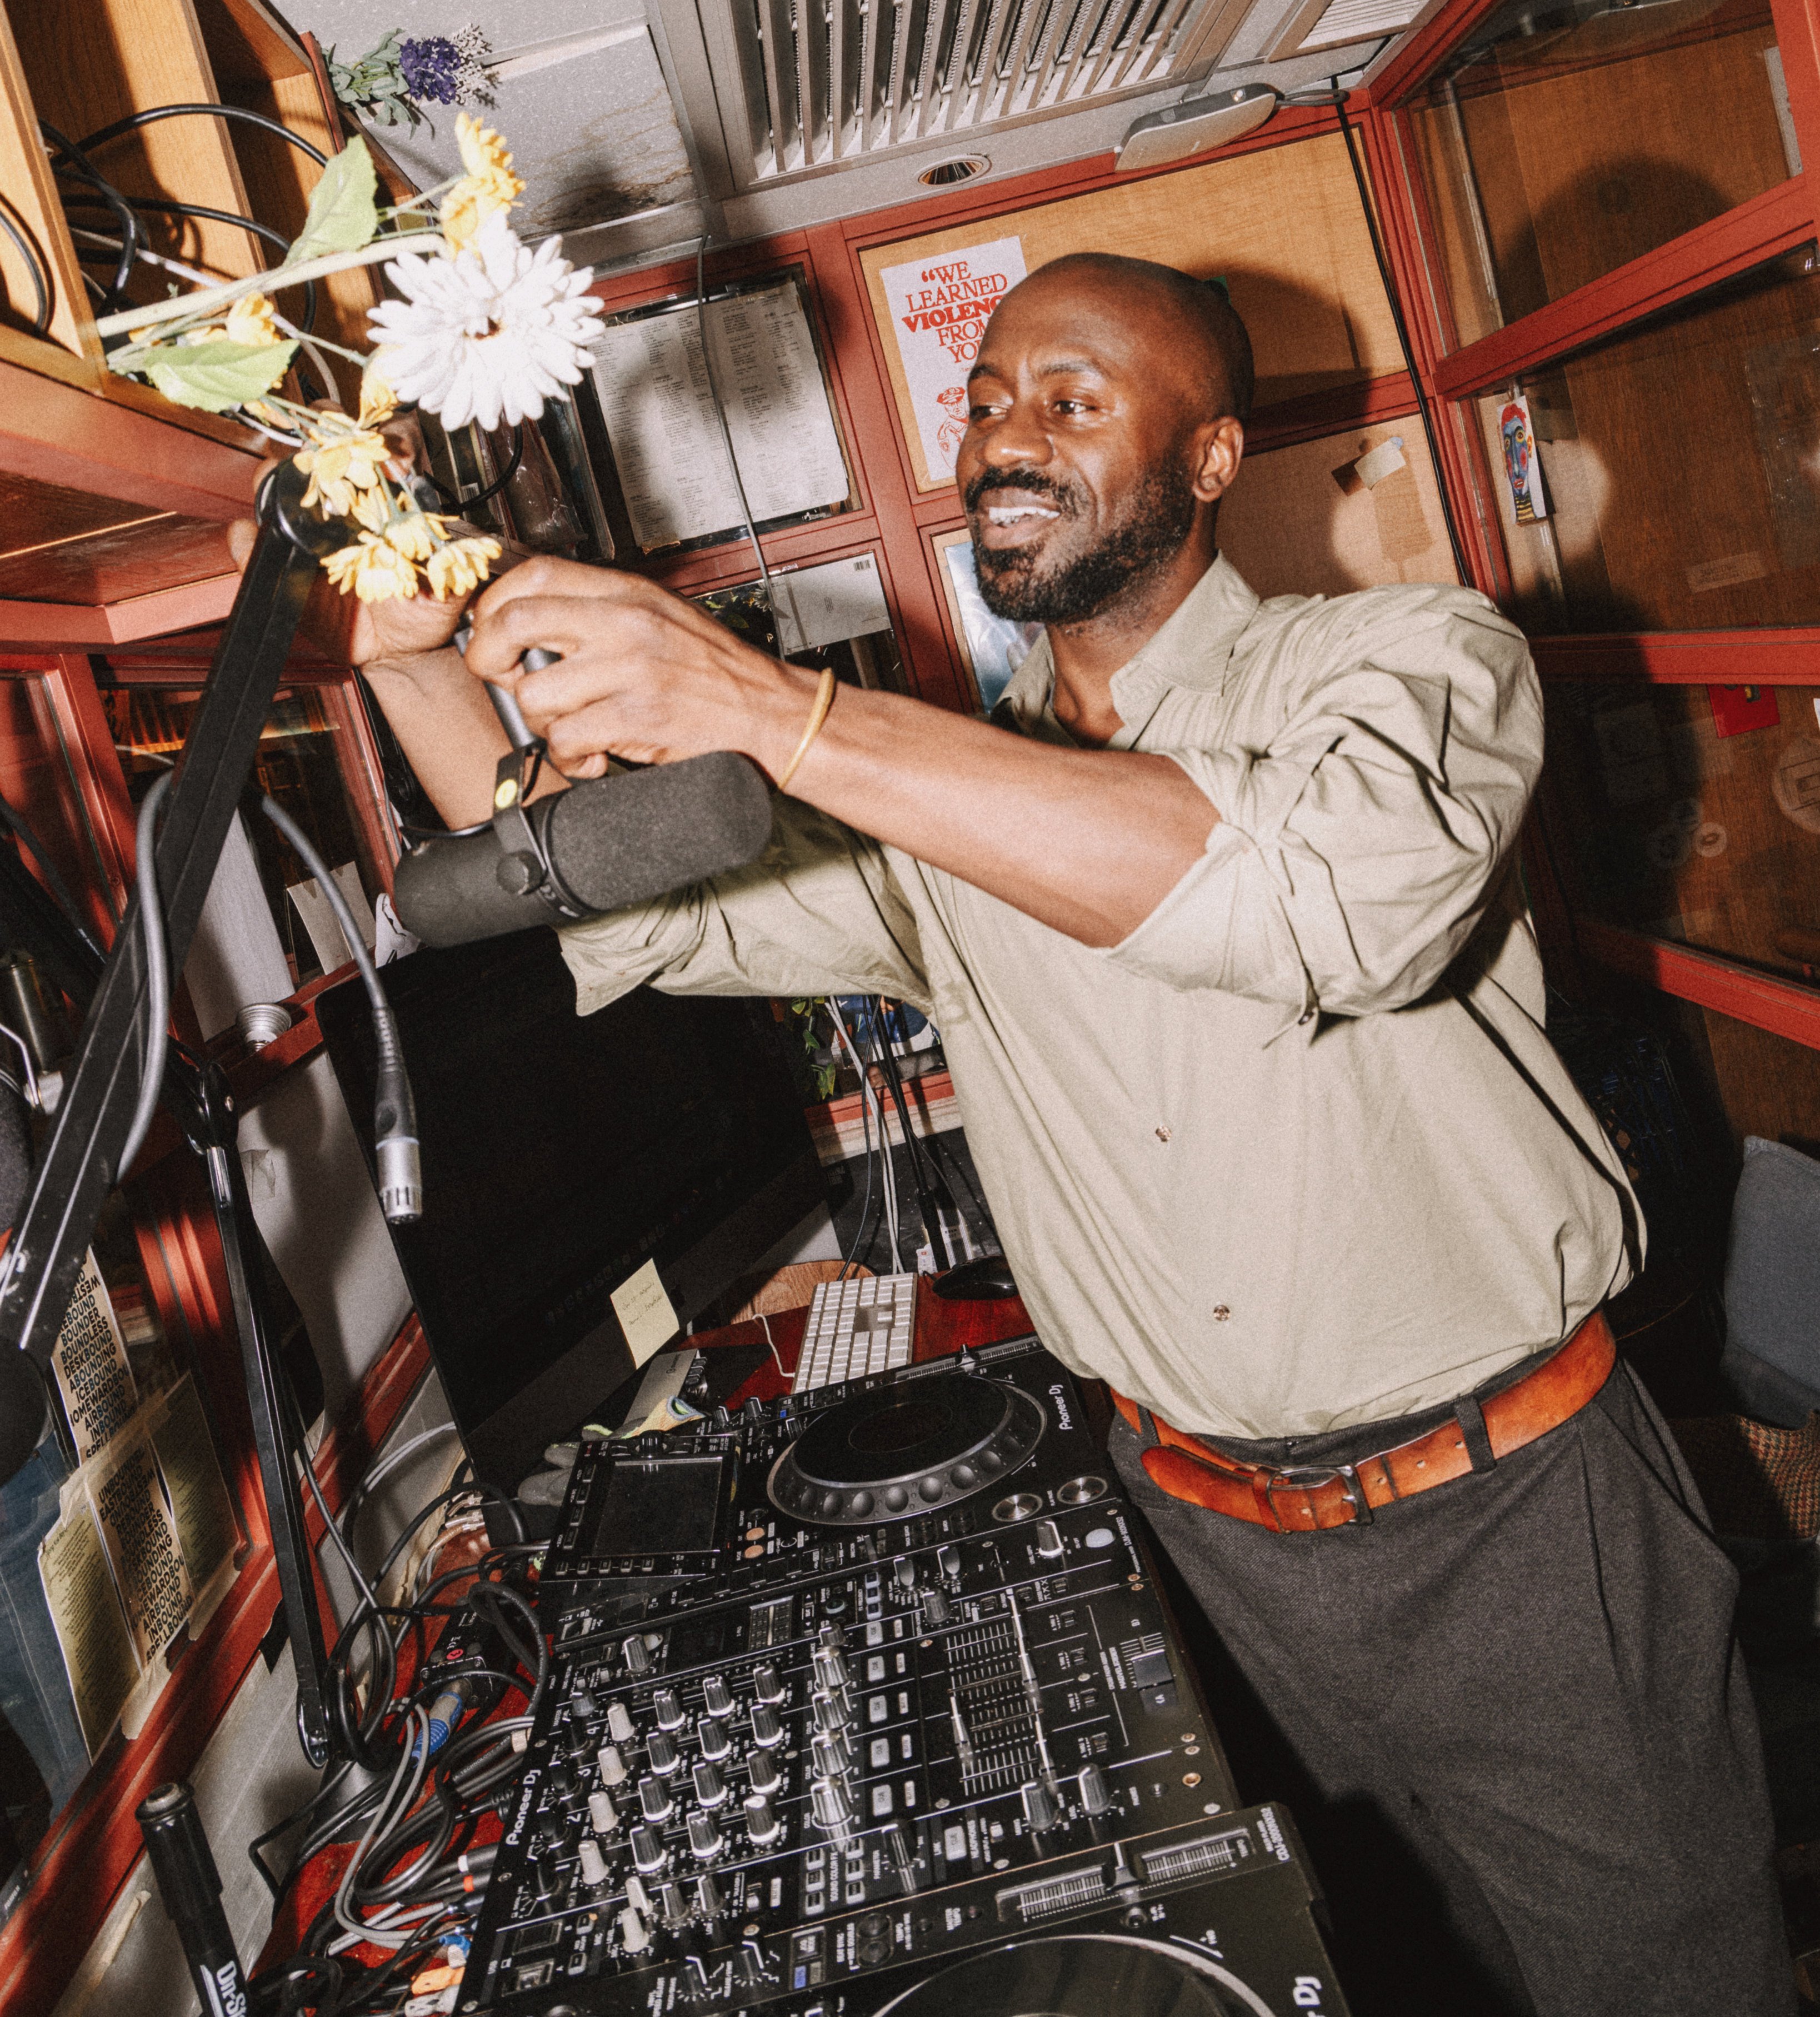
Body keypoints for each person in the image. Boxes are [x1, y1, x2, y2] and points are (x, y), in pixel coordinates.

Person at [338, 253, 1788, 2016]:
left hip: (1508, 1524)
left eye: (1073, 401)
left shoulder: (1411, 660)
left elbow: (1320, 904)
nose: (1006, 438)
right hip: (1204, 1535)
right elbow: (621, 906)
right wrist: (418, 667)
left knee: (1661, 1987)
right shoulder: (953, 791)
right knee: (1378, 1974)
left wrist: (783, 714)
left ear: (1207, 459)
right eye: (987, 400)